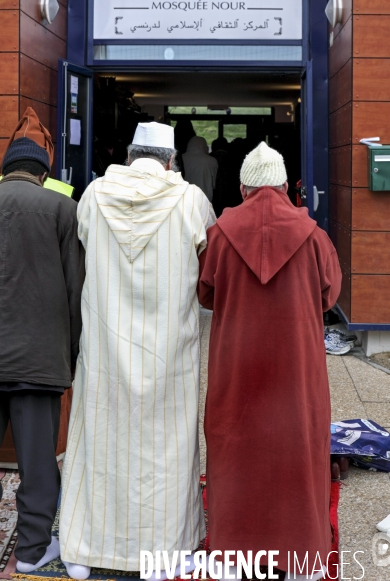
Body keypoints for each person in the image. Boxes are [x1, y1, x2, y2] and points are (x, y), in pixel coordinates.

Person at [59, 122, 216, 580]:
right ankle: (160, 553)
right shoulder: (190, 201)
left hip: (106, 344)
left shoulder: (92, 196)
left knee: (99, 443)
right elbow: (209, 270)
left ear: (130, 155)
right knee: (166, 447)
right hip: (169, 348)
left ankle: (83, 550)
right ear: (171, 161)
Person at [198, 142, 342, 581]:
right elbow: (329, 295)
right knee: (297, 448)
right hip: (296, 373)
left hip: (236, 366)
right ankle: (299, 558)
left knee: (233, 448)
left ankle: (231, 554)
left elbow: (206, 293)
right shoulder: (314, 236)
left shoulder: (222, 234)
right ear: (284, 187)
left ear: (243, 188)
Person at [0, 112, 85, 573]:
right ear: (43, 173)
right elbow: (76, 290)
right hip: (38, 358)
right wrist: (70, 356)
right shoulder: (61, 209)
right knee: (36, 463)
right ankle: (32, 552)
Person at [183, 136, 218, 202]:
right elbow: (215, 184)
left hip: (184, 199)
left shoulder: (181, 158)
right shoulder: (212, 161)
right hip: (204, 200)